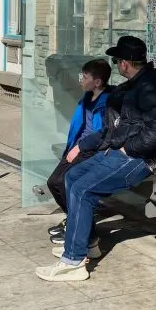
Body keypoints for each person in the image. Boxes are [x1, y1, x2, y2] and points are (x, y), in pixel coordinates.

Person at [35, 35, 156, 282]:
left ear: (125, 63)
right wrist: (83, 145)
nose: (116, 64)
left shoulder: (150, 87)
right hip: (119, 150)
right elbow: (112, 129)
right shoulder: (132, 85)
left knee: (83, 190)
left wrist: (128, 149)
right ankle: (86, 245)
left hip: (136, 159)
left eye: (117, 59)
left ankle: (73, 261)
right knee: (72, 176)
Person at [45, 58, 112, 256]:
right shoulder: (87, 97)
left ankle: (87, 236)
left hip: (91, 150)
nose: (81, 80)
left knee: (66, 183)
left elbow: (102, 134)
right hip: (76, 147)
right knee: (54, 182)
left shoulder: (108, 102)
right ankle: (76, 223)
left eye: (84, 77)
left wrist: (80, 147)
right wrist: (72, 147)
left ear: (97, 82)